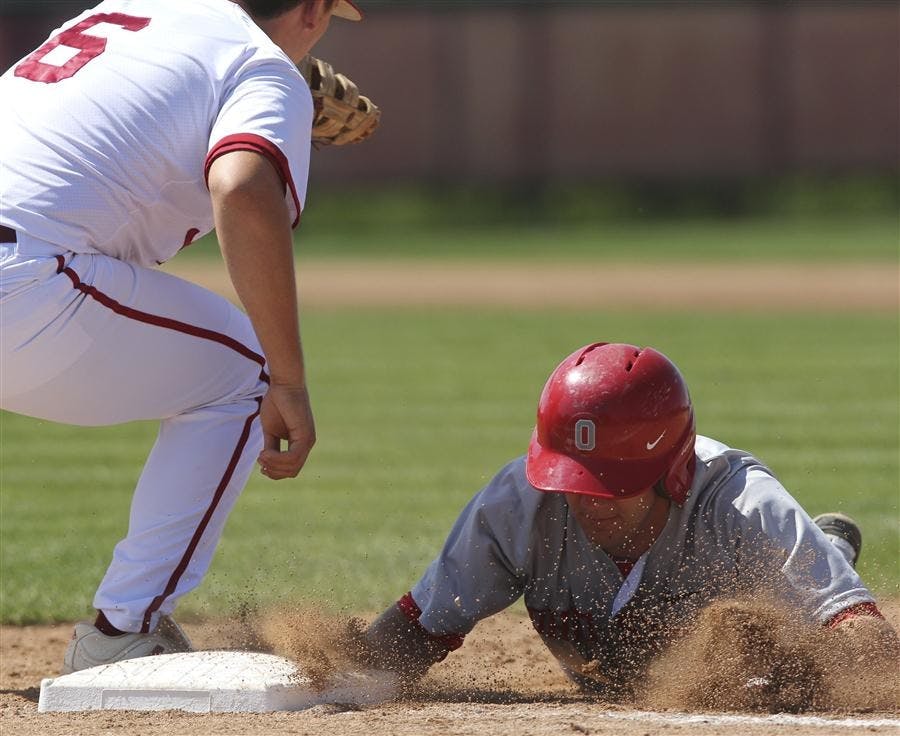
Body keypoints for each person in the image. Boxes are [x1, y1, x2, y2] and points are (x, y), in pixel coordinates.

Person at [0, 0, 364, 673]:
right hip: (18, 283)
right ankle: (123, 630)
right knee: (246, 371)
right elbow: (242, 186)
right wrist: (289, 380)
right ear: (314, 11)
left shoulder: (127, 8)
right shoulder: (262, 69)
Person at [358, 342, 899, 698]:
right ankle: (828, 545)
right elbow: (416, 628)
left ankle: (826, 548)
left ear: (675, 472)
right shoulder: (518, 504)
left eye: (612, 483)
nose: (587, 499)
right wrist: (333, 670)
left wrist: (795, 667)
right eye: (573, 480)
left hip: (760, 566)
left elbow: (869, 642)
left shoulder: (742, 504)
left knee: (794, 589)